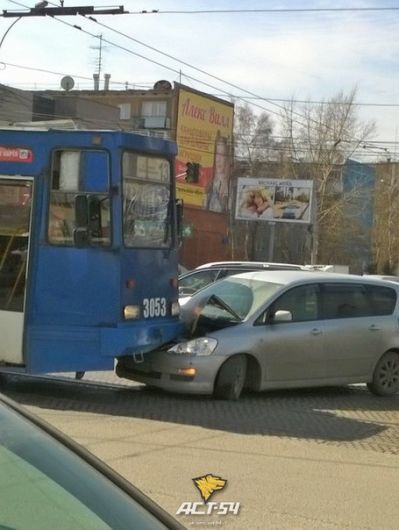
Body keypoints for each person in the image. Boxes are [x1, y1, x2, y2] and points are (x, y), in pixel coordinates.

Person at [207, 134, 230, 212]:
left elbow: (223, 208)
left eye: (222, 155)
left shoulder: (225, 184)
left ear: (226, 158)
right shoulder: (210, 180)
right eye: (217, 154)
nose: (219, 159)